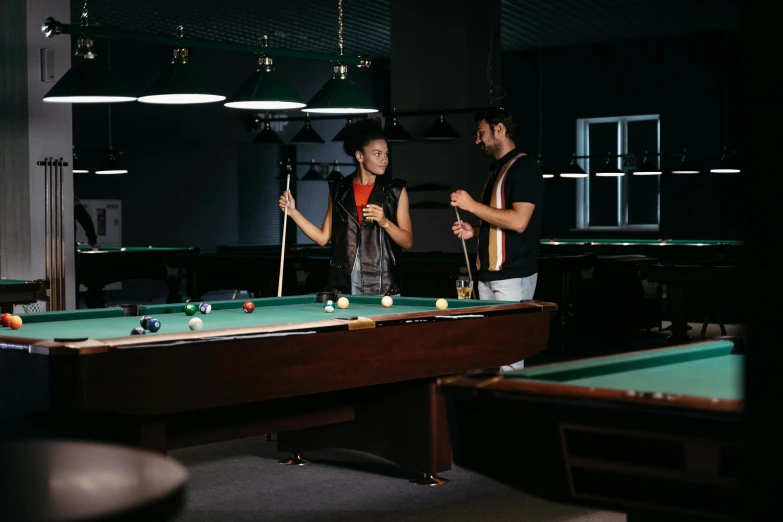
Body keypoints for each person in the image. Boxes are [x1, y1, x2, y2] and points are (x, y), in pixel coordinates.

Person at [450, 107, 544, 370]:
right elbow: (501, 222)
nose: (477, 140)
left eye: (481, 133)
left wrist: (471, 205)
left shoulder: (524, 167)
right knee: (490, 350)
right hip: (488, 275)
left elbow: (518, 221)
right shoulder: (496, 169)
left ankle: (509, 407)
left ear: (499, 129)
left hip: (512, 275)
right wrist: (476, 232)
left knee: (510, 354)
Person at [279, 119, 413, 295]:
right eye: (377, 154)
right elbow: (322, 238)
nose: (384, 160)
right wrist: (294, 213)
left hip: (382, 282)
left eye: (386, 154)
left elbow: (407, 241)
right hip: (344, 282)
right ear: (359, 156)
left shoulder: (396, 190)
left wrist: (385, 222)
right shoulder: (339, 189)